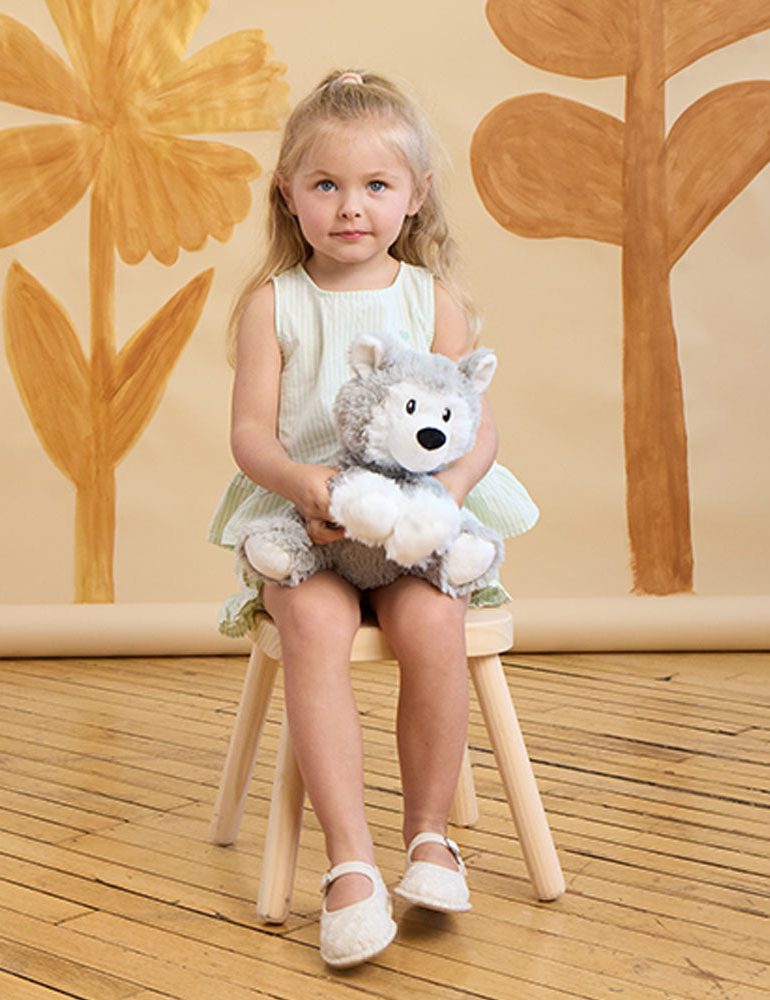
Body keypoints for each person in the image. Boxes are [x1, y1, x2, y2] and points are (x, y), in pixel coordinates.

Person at [208, 69, 538, 968]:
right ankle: (349, 863)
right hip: (308, 530)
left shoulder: (434, 300)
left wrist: (444, 499)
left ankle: (429, 837)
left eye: (376, 186)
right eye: (326, 185)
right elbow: (249, 433)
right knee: (312, 628)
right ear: (289, 193)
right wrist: (303, 483)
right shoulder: (273, 304)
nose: (351, 208)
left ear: (415, 197)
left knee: (435, 620)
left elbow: (476, 425)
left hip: (410, 530)